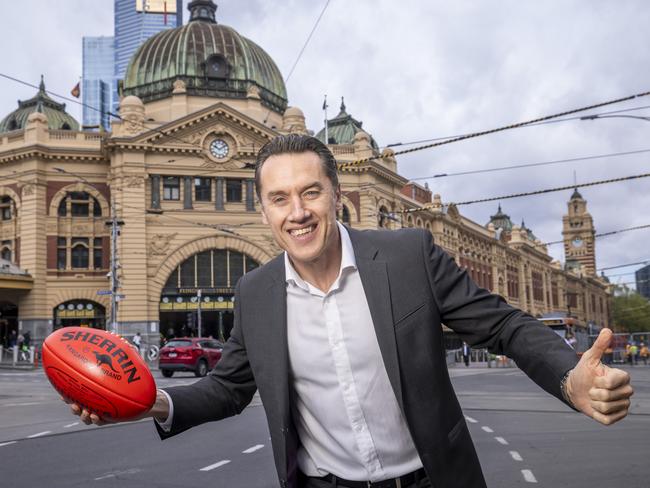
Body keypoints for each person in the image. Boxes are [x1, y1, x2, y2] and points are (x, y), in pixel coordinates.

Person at [68, 135, 634, 488]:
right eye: (280, 199)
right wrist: (149, 402)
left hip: (428, 480)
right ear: (263, 211)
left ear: (336, 194)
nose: (299, 212)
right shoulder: (256, 292)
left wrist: (568, 376)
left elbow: (505, 324)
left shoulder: (409, 256)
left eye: (311, 192)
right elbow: (228, 388)